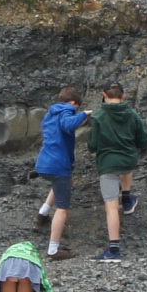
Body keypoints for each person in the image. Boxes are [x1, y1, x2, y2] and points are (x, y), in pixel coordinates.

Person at [87, 83, 147, 261]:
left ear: (103, 94)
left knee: (111, 207)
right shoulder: (132, 114)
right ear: (124, 95)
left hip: (108, 163)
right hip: (129, 160)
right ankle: (127, 197)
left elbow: (92, 146)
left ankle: (114, 249)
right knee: (126, 167)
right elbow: (143, 141)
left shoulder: (98, 116)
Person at [34, 87, 87, 259]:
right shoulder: (67, 111)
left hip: (44, 163)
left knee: (58, 185)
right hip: (58, 165)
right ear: (73, 103)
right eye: (76, 107)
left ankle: (43, 213)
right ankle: (53, 249)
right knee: (63, 208)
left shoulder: (50, 114)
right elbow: (68, 124)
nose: (75, 111)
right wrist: (84, 114)